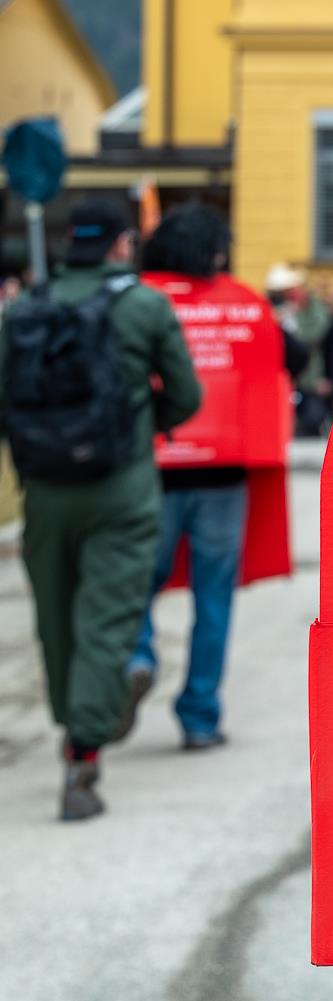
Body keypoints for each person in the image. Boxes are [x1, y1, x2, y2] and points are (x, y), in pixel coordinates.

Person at [0, 198, 201, 820]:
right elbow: (186, 395)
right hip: (121, 489)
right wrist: (143, 426)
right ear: (120, 245)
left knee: (56, 620)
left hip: (45, 491)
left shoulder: (24, 308)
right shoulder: (143, 306)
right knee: (106, 621)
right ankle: (83, 754)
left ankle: (74, 718)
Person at [128, 203, 289, 749]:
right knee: (214, 599)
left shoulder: (139, 299)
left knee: (134, 583)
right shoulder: (245, 304)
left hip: (151, 472)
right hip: (225, 477)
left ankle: (137, 657)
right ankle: (200, 717)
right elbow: (280, 369)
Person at [268, 262, 333, 436]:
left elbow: (316, 333)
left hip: (310, 377)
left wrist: (294, 323)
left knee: (310, 422)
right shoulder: (278, 308)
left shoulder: (314, 307)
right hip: (285, 375)